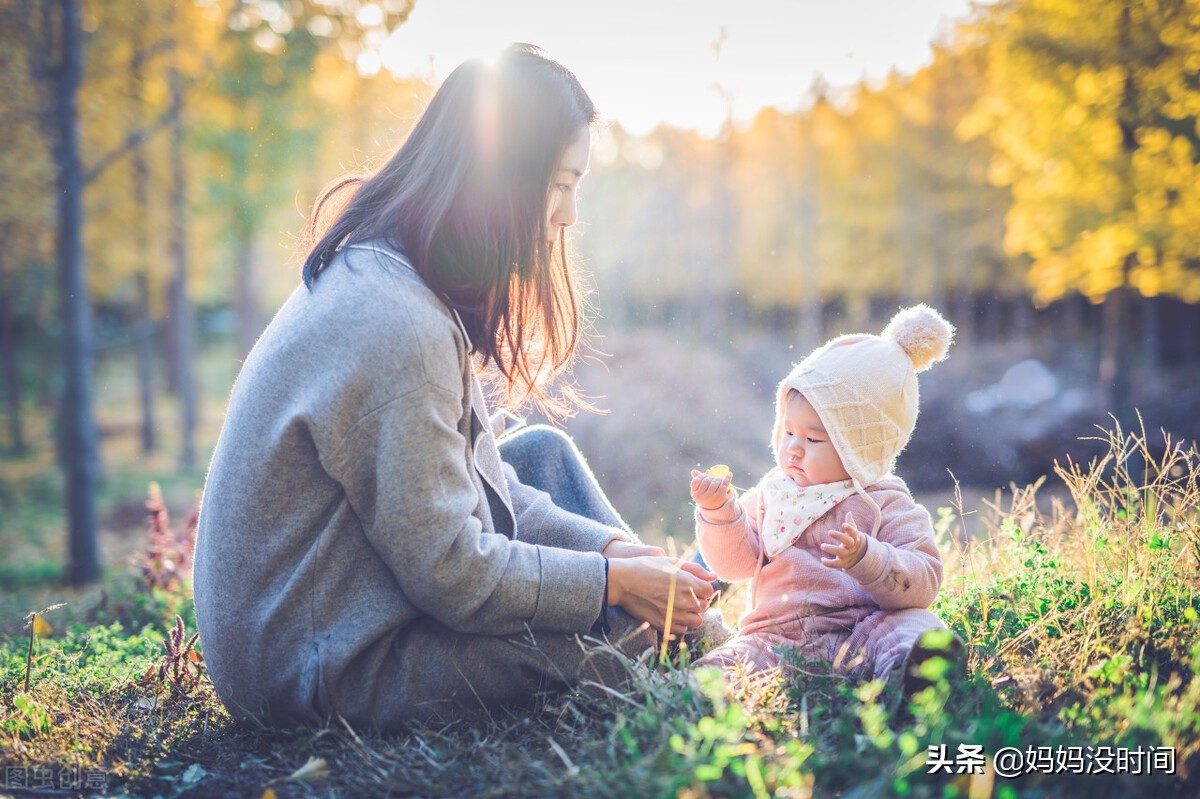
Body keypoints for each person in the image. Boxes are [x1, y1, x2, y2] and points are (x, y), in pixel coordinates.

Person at [192, 43, 717, 731]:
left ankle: (682, 620)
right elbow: (453, 573)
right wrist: (610, 585)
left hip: (349, 596)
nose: (568, 217)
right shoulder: (395, 324)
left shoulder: (396, 275)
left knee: (542, 457)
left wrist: (609, 553)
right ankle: (689, 647)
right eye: (560, 184)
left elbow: (471, 483)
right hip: (320, 667)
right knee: (611, 642)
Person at [689, 305, 959, 689]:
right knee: (729, 663)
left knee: (915, 626)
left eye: (813, 439)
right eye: (788, 433)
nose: (794, 449)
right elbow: (734, 566)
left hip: (864, 630)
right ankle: (691, 690)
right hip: (776, 638)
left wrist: (869, 558)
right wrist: (719, 514)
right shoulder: (773, 492)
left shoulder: (884, 499)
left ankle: (916, 676)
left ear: (860, 446)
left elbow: (925, 579)